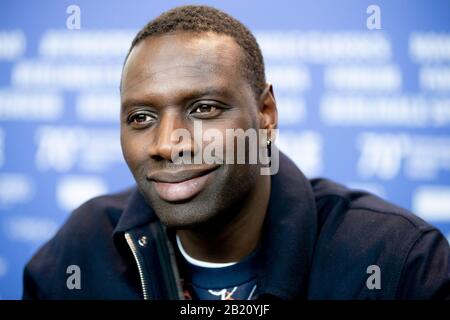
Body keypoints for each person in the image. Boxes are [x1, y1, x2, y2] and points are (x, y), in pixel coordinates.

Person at [23, 5, 450, 300]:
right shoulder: (80, 253)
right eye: (141, 117)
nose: (169, 143)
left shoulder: (396, 260)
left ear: (266, 113)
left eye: (204, 109)